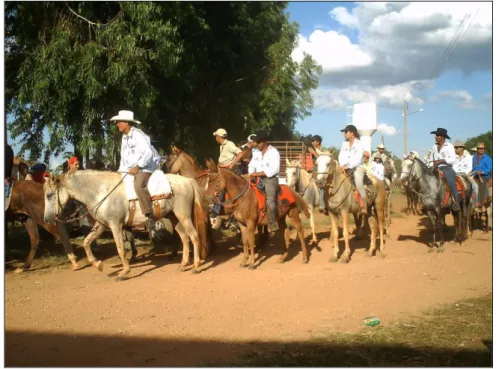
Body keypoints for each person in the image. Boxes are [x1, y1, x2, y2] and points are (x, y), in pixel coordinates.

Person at [111, 110, 162, 233]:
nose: (117, 124)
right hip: (131, 169)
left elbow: (148, 153)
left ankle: (149, 216)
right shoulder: (124, 137)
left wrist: (138, 167)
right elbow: (124, 157)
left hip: (146, 167)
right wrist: (119, 171)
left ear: (127, 123)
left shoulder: (138, 135)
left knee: (139, 185)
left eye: (119, 122)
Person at [210, 128, 245, 220]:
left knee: (221, 187)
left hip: (232, 171)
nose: (215, 138)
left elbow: (240, 153)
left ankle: (216, 210)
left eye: (216, 136)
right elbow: (221, 160)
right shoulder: (221, 146)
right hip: (223, 171)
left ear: (219, 137)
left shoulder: (229, 144)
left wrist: (232, 164)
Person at [249, 131, 281, 233]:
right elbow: (251, 165)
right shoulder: (256, 153)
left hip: (270, 179)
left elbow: (273, 170)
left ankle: (272, 222)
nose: (257, 144)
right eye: (256, 142)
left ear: (265, 142)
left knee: (270, 200)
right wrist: (251, 174)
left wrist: (257, 174)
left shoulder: (274, 152)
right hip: (257, 178)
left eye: (259, 142)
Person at [427, 128, 460, 212]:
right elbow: (430, 159)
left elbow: (453, 159)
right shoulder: (434, 147)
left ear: (442, 137)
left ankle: (456, 202)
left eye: (437, 135)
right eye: (436, 135)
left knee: (451, 182)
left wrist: (442, 160)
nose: (436, 137)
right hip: (435, 168)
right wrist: (431, 164)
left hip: (446, 168)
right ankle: (426, 201)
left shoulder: (449, 146)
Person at [338, 125, 368, 215]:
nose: (344, 134)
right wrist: (342, 165)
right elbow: (341, 155)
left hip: (357, 167)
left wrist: (348, 166)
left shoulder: (360, 144)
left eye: (346, 132)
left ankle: (364, 206)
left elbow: (358, 158)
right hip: (344, 167)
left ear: (352, 133)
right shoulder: (344, 143)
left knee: (358, 181)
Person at [452, 140, 479, 206]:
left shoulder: (468, 157)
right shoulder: (453, 157)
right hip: (456, 175)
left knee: (475, 186)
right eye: (455, 147)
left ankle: (476, 202)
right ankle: (447, 203)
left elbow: (469, 167)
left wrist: (463, 173)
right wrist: (456, 173)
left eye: (457, 147)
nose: (455, 149)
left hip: (466, 175)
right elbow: (452, 167)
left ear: (462, 148)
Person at [308, 135, 327, 213]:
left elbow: (324, 160)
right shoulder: (314, 150)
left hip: (323, 170)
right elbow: (315, 163)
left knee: (321, 185)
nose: (312, 143)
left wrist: (314, 153)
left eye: (314, 141)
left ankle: (322, 205)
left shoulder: (324, 150)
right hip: (316, 170)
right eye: (312, 141)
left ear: (318, 142)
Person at [472, 142, 492, 209]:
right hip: (475, 175)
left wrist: (482, 172)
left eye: (482, 148)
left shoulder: (487, 158)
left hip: (484, 176)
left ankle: (481, 203)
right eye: (479, 148)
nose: (481, 150)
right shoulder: (474, 157)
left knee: (481, 185)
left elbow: (489, 168)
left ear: (484, 149)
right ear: (477, 149)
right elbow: (472, 166)